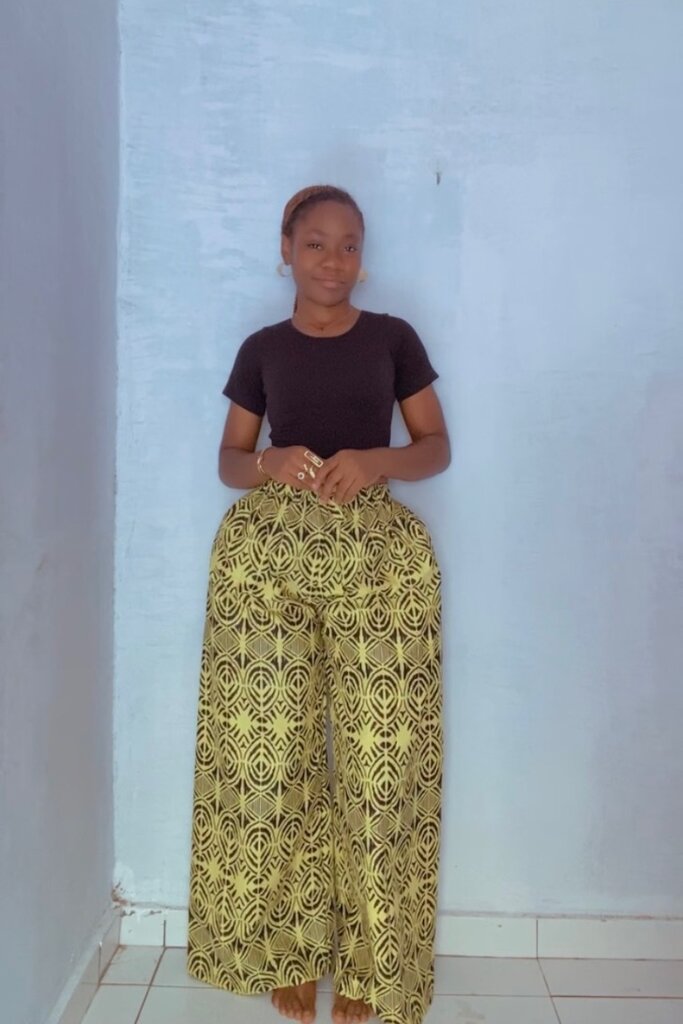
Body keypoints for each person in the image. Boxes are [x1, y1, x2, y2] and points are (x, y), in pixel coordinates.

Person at [187, 185, 449, 1024]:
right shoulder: (262, 349)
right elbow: (230, 460)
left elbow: (435, 447)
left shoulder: (392, 339)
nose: (333, 261)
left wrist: (376, 460)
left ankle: (373, 964)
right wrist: (269, 461)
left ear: (361, 258)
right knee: (272, 755)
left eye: (348, 245)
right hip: (266, 562)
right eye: (315, 244)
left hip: (379, 561)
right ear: (286, 251)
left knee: (382, 764)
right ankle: (288, 952)